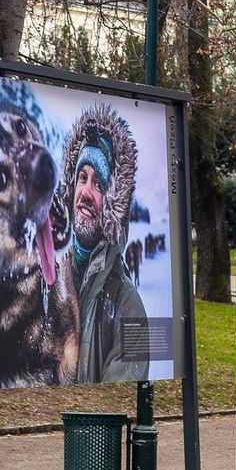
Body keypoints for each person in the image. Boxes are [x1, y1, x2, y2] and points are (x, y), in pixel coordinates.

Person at [56, 105, 148, 382]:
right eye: (82, 178)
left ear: (112, 204)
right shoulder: (48, 284)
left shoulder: (129, 306)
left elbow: (123, 396)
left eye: (98, 184)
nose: (85, 192)